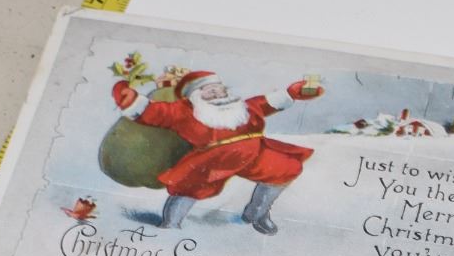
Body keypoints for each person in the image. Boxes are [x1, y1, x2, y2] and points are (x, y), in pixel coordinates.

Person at [111, 69, 324, 234]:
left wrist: (292, 93)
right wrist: (130, 100)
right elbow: (155, 112)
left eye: (218, 88)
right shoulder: (184, 112)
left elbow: (268, 103)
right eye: (207, 89)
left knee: (284, 168)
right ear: (195, 95)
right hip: (212, 159)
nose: (215, 92)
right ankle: (170, 225)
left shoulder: (244, 107)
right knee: (188, 187)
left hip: (253, 152)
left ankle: (256, 214)